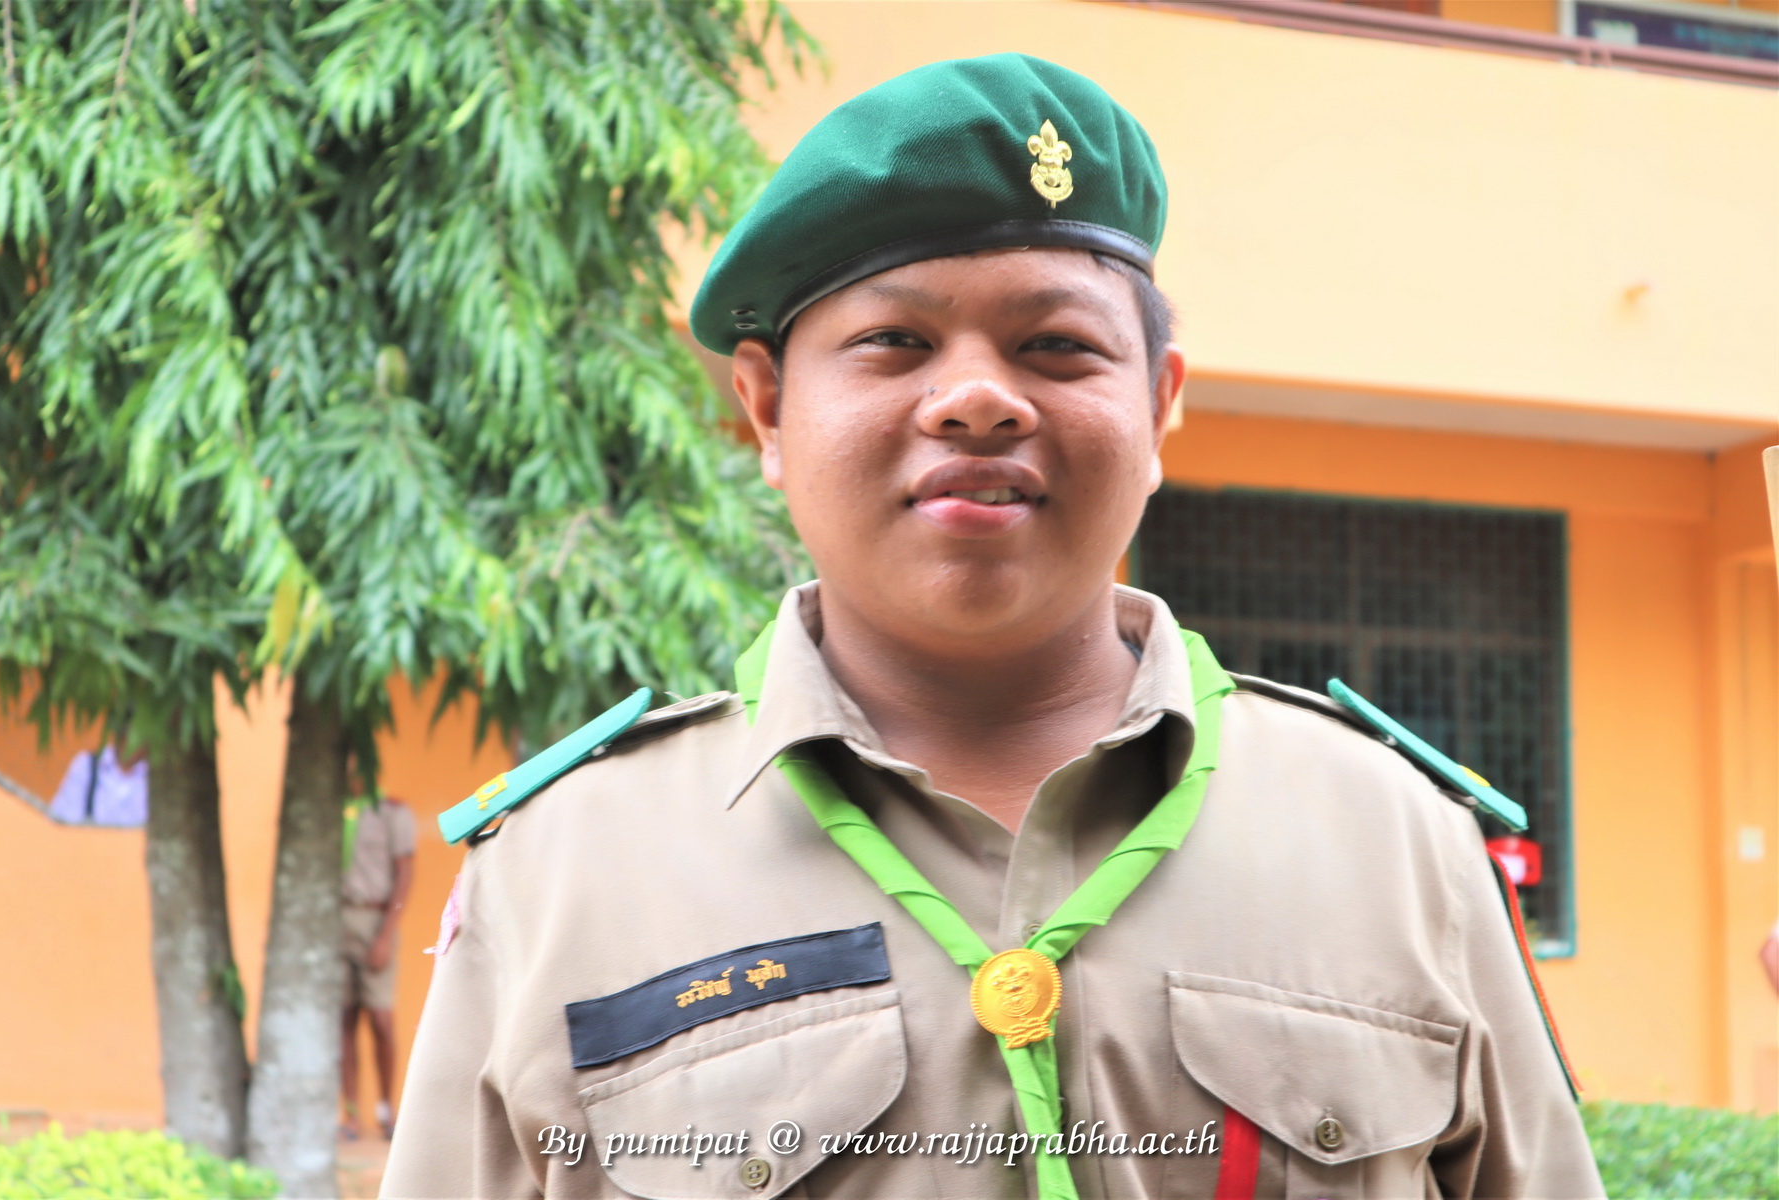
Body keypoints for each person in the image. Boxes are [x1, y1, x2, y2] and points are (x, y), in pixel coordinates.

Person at [383, 55, 1602, 1199]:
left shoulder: (1400, 841)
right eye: (894, 342)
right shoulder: (560, 871)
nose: (976, 398)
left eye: (1056, 346)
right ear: (765, 410)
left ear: (1159, 404)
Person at [340, 785, 417, 1141]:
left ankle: (387, 1109)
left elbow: (405, 872)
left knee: (381, 1020)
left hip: (376, 920)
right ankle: (351, 1114)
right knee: (343, 1020)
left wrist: (386, 935)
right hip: (338, 920)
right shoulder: (332, 808)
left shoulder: (391, 811)